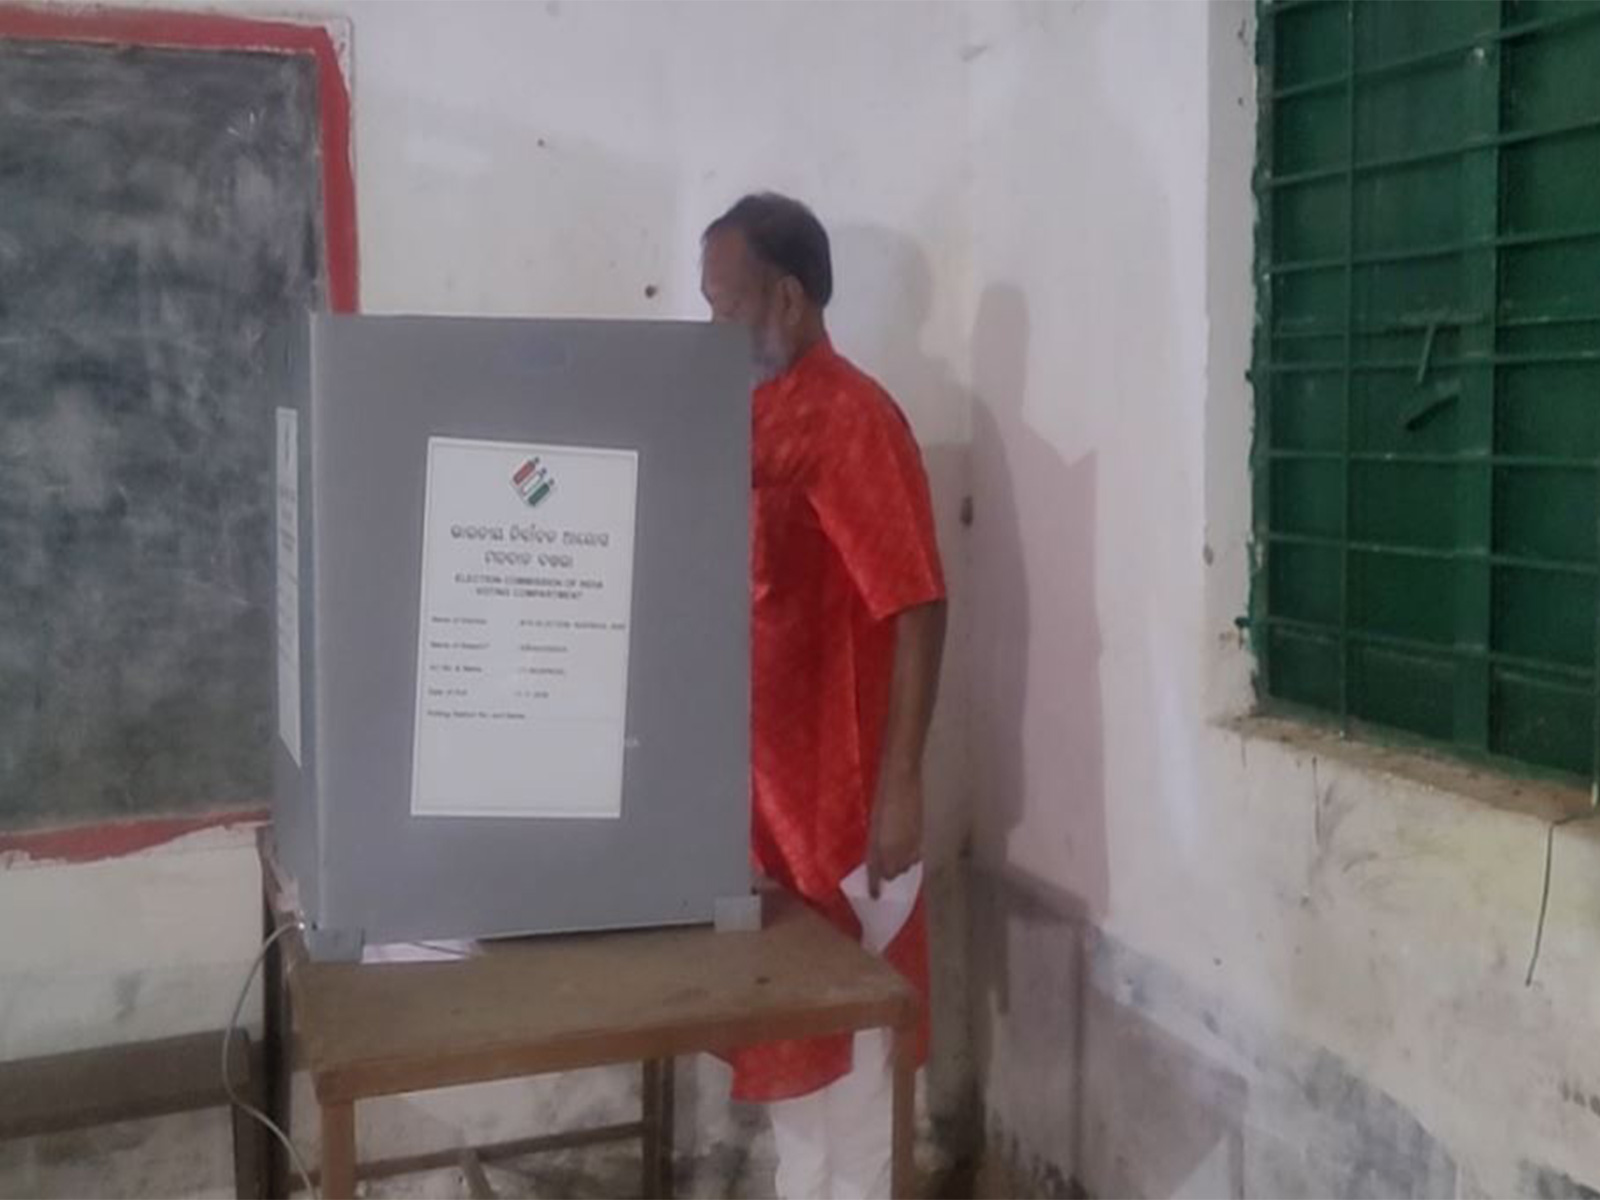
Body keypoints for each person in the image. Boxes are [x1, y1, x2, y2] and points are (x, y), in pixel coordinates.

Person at [700, 193, 947, 1200]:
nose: (709, 323)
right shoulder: (752, 407)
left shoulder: (852, 420)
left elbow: (919, 602)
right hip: (766, 808)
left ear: (788, 298)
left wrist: (898, 786)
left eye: (724, 301)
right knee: (798, 1083)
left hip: (841, 815)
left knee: (848, 1087)